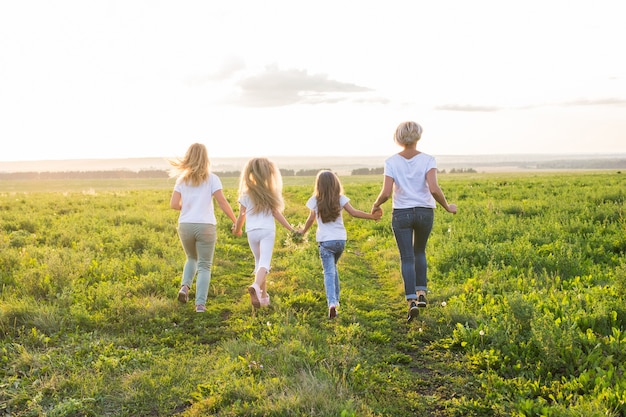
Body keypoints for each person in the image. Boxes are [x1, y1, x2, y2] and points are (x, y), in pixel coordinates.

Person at [371, 121, 457, 322]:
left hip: (401, 213)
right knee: (420, 251)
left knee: (407, 257)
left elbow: (385, 192)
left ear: (398, 138)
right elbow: (434, 189)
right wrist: (447, 207)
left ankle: (411, 301)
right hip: (425, 212)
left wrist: (376, 205)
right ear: (418, 137)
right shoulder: (428, 160)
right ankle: (422, 294)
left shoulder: (391, 162)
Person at [300, 170, 382, 319]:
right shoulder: (340, 198)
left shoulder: (314, 200)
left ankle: (331, 303)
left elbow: (311, 219)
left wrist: (302, 232)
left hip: (325, 242)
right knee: (333, 269)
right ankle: (336, 302)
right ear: (335, 183)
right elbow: (354, 213)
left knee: (329, 273)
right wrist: (372, 216)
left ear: (318, 185)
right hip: (340, 241)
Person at [169, 143, 237, 313]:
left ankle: (185, 287)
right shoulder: (212, 178)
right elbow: (222, 201)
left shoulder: (182, 180)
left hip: (185, 225)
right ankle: (200, 305)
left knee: (191, 258)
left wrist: (188, 207)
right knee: (205, 265)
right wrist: (235, 219)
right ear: (206, 158)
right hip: (206, 226)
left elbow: (173, 204)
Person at [232, 157, 297, 309]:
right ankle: (255, 286)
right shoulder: (269, 193)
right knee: (265, 264)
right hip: (267, 231)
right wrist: (291, 229)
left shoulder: (246, 194)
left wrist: (237, 229)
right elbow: (276, 213)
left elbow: (242, 215)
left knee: (259, 263)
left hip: (252, 232)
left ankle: (262, 298)